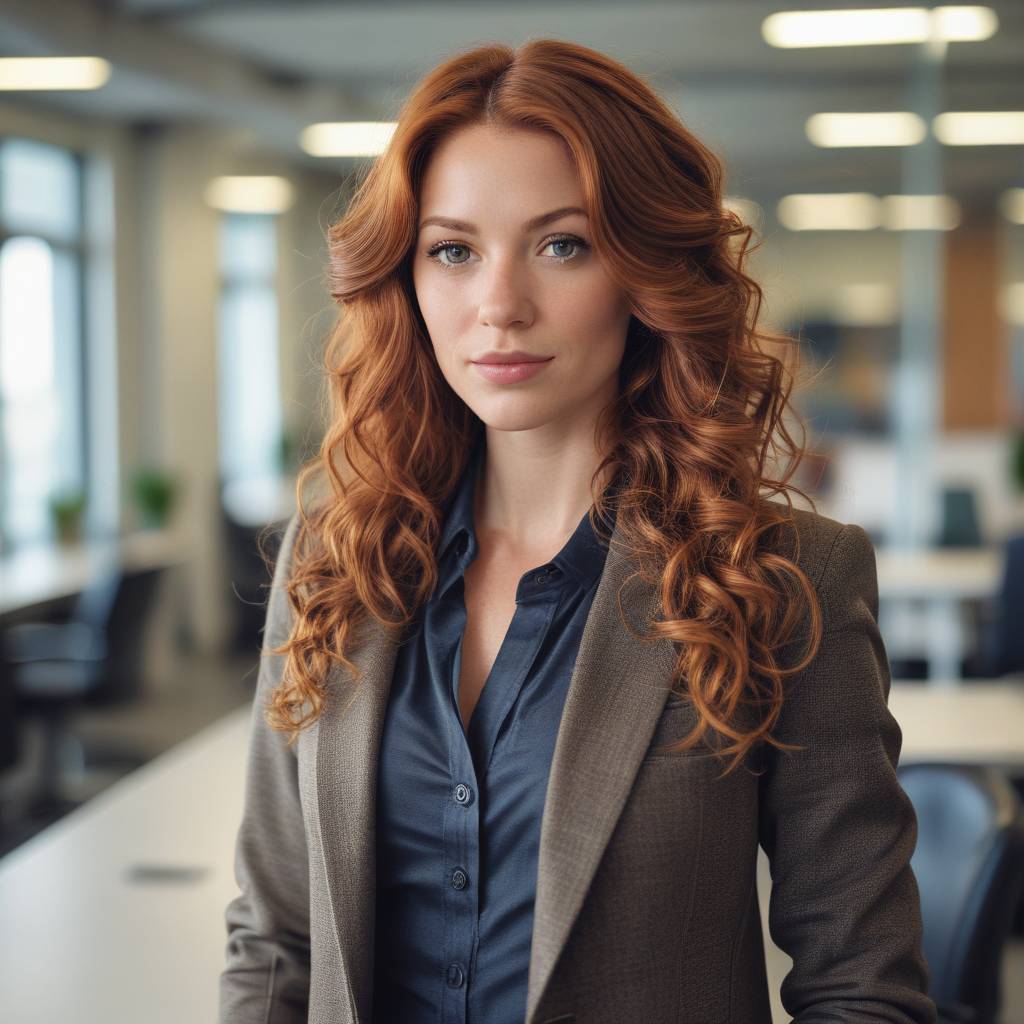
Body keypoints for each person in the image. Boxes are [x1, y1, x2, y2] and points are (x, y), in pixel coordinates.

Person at [219, 37, 937, 1024]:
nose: (498, 306)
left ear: (644, 270)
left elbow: (861, 986)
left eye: (563, 244)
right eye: (453, 250)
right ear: (408, 277)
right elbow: (275, 938)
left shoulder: (783, 579)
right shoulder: (335, 558)